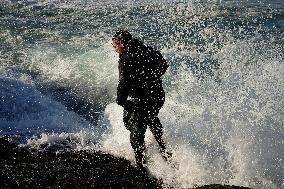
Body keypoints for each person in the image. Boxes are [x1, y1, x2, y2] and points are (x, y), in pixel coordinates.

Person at [112, 30, 172, 171]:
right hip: (157, 96)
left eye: (115, 44)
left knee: (136, 129)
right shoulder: (149, 50)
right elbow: (164, 66)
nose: (114, 47)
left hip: (142, 99)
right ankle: (165, 151)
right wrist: (152, 80)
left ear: (122, 43)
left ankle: (141, 166)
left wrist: (120, 101)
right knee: (150, 117)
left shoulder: (125, 58)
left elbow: (123, 83)